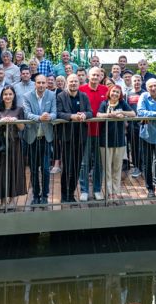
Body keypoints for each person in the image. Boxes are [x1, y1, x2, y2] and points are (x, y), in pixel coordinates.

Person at [56, 74, 93, 203]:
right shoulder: (61, 96)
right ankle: (64, 195)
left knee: (77, 166)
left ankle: (71, 193)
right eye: (71, 81)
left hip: (80, 136)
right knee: (67, 167)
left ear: (79, 83)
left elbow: (90, 112)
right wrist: (71, 116)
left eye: (75, 81)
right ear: (67, 83)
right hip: (66, 137)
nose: (73, 84)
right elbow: (58, 113)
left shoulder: (84, 96)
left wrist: (84, 115)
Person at [22, 74, 57, 205]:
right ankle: (35, 195)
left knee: (46, 169)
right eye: (39, 83)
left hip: (46, 138)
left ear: (47, 83)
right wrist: (39, 118)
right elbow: (27, 114)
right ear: (35, 83)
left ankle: (45, 196)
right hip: (32, 138)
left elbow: (55, 112)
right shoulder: (27, 96)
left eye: (43, 83)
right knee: (33, 169)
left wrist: (49, 116)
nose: (41, 85)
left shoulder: (51, 95)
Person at [0, 85, 28, 205]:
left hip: (15, 144)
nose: (7, 96)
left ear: (14, 96)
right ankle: (2, 199)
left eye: (10, 94)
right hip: (1, 144)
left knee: (13, 170)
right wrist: (0, 122)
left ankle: (12, 198)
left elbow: (22, 128)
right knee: (1, 171)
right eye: (5, 94)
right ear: (2, 96)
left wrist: (16, 122)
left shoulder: (19, 109)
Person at [78, 67, 109, 201]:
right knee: (84, 162)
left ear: (101, 76)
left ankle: (97, 189)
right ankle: (84, 190)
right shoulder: (81, 89)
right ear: (88, 76)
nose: (95, 77)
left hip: (101, 131)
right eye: (93, 75)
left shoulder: (105, 90)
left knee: (99, 162)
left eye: (97, 75)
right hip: (85, 131)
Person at [98, 85, 132, 200]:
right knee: (107, 168)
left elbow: (133, 113)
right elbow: (98, 115)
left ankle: (116, 192)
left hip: (120, 141)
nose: (115, 94)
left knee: (117, 168)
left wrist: (123, 112)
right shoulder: (104, 103)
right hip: (105, 141)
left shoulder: (122, 103)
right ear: (109, 92)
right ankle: (109, 192)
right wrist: (110, 115)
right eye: (113, 91)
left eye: (118, 92)